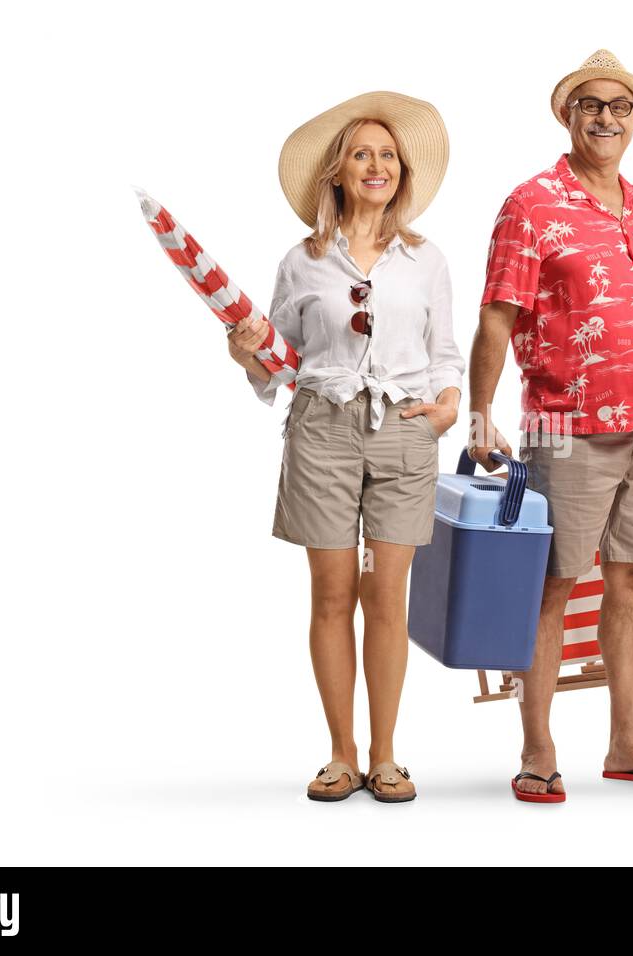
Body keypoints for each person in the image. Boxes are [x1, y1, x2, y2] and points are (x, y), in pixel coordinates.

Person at [469, 51, 633, 802]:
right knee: (550, 585)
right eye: (590, 105)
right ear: (567, 116)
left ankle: (627, 742)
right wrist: (481, 414)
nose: (606, 117)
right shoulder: (531, 205)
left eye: (619, 106)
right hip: (566, 429)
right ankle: (537, 748)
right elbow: (496, 320)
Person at [228, 92, 464, 803]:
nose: (377, 165)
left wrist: (448, 406)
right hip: (323, 428)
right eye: (362, 153)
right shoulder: (302, 262)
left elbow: (444, 351)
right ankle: (341, 754)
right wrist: (245, 353)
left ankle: (388, 756)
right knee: (332, 595)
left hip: (403, 429)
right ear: (337, 171)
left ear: (402, 173)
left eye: (388, 155)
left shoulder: (426, 259)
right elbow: (277, 361)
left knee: (385, 595)